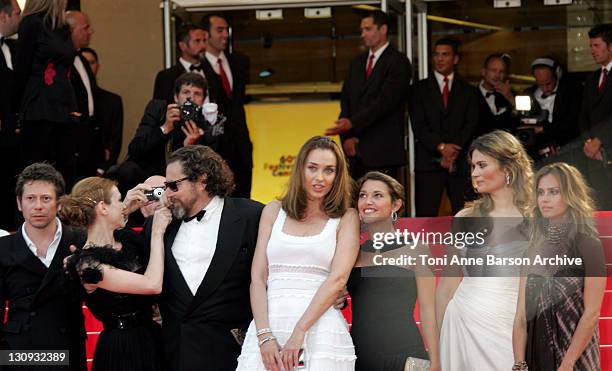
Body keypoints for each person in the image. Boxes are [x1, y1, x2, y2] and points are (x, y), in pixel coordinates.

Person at [236, 136, 358, 371]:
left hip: (320, 331)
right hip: (268, 328)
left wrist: (299, 332)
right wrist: (264, 336)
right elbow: (258, 278)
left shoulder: (347, 217)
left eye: (329, 170)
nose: (319, 178)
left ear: (338, 176)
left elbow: (338, 279)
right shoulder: (273, 210)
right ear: (300, 168)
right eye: (312, 168)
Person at [142, 145, 264, 371]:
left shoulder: (251, 216)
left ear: (202, 180)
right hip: (177, 354)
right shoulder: (158, 225)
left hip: (234, 354)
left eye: (173, 186)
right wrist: (124, 209)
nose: (166, 194)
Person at [436, 130, 534, 370]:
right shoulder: (465, 217)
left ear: (508, 167)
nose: (475, 174)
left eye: (482, 165)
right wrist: (438, 346)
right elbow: (445, 288)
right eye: (472, 166)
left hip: (512, 328)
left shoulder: (535, 218)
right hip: (462, 325)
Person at [60, 177, 172, 371]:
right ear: (103, 207)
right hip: (123, 348)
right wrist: (157, 231)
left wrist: (125, 209)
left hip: (152, 337)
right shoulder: (87, 265)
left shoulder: (126, 239)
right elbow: (152, 284)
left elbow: (110, 233)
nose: (124, 203)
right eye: (119, 199)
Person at [512, 163, 605, 371]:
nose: (544, 199)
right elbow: (520, 317)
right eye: (541, 192)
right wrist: (519, 364)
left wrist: (567, 364)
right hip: (535, 354)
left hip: (575, 357)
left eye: (554, 192)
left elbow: (591, 313)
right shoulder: (531, 251)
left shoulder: (588, 244)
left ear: (571, 195)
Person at [348, 171, 440, 371]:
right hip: (358, 357)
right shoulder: (351, 253)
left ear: (396, 205)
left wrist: (436, 360)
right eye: (363, 195)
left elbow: (427, 309)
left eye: (377, 195)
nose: (367, 201)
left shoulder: (417, 249)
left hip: (405, 356)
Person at [0, 163, 87, 371]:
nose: (38, 206)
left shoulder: (80, 240)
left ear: (58, 203)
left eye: (46, 198)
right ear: (19, 203)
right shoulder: (4, 248)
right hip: (19, 352)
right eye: (30, 198)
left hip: (68, 348)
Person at [325, 10, 412, 180]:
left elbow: (385, 103)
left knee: (382, 200)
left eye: (368, 29)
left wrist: (352, 123)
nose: (363, 34)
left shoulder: (398, 62)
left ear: (383, 29)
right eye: (362, 30)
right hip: (355, 153)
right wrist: (347, 137)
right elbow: (346, 100)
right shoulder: (357, 62)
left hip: (382, 151)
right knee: (353, 202)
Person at [12, 0, 80, 188]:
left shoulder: (62, 27)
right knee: (37, 175)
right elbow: (21, 71)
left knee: (65, 175)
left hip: (64, 110)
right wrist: (14, 112)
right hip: (38, 110)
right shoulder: (31, 23)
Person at [410, 37, 479, 216]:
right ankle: (424, 246)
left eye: (445, 54)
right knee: (426, 216)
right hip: (428, 163)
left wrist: (453, 149)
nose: (440, 59)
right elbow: (418, 125)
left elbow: (470, 125)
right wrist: (441, 147)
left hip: (461, 163)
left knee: (465, 216)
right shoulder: (418, 90)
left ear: (455, 59)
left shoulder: (469, 91)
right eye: (437, 54)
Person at [117, 72, 217, 196]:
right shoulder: (159, 110)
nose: (191, 98)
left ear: (203, 101)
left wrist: (189, 148)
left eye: (197, 94)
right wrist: (165, 128)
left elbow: (205, 172)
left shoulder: (205, 123)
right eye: (186, 92)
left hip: (178, 184)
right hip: (148, 177)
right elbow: (135, 150)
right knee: (128, 169)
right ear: (176, 97)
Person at [201, 14, 253, 198]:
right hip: (215, 147)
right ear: (206, 34)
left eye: (226, 30)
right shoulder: (198, 67)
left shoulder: (239, 62)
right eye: (219, 30)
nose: (225, 35)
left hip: (241, 145)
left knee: (244, 198)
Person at [522, 57, 582, 162]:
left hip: (567, 152)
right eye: (540, 84)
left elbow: (573, 123)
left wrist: (543, 129)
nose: (545, 88)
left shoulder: (572, 91)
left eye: (548, 83)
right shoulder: (528, 94)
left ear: (557, 74)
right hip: (537, 155)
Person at [579, 23, 612, 210]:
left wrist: (599, 140)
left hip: (608, 146)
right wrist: (588, 142)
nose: (592, 50)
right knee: (600, 205)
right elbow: (583, 114)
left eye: (596, 45)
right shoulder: (592, 78)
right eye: (590, 46)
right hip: (593, 154)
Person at [66, 10, 101, 179]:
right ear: (72, 30)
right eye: (86, 27)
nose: (91, 31)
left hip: (89, 136)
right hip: (71, 138)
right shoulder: (61, 60)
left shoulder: (82, 59)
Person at [80, 47, 123, 174]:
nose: (87, 67)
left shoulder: (113, 101)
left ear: (98, 66)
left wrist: (101, 170)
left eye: (91, 63)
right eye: (83, 64)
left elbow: (115, 141)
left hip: (105, 168)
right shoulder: (67, 102)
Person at [0, 0, 21, 231]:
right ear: (3, 16)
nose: (19, 18)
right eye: (16, 13)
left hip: (16, 135)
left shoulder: (17, 47)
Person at [153, 24, 207, 103]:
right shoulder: (166, 77)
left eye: (204, 41)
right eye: (197, 41)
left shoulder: (212, 72)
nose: (203, 46)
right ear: (183, 46)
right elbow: (159, 111)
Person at [475, 53, 515, 137]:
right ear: (483, 72)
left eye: (501, 72)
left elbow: (522, 119)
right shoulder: (470, 95)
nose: (497, 75)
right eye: (493, 70)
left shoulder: (509, 94)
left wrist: (509, 97)